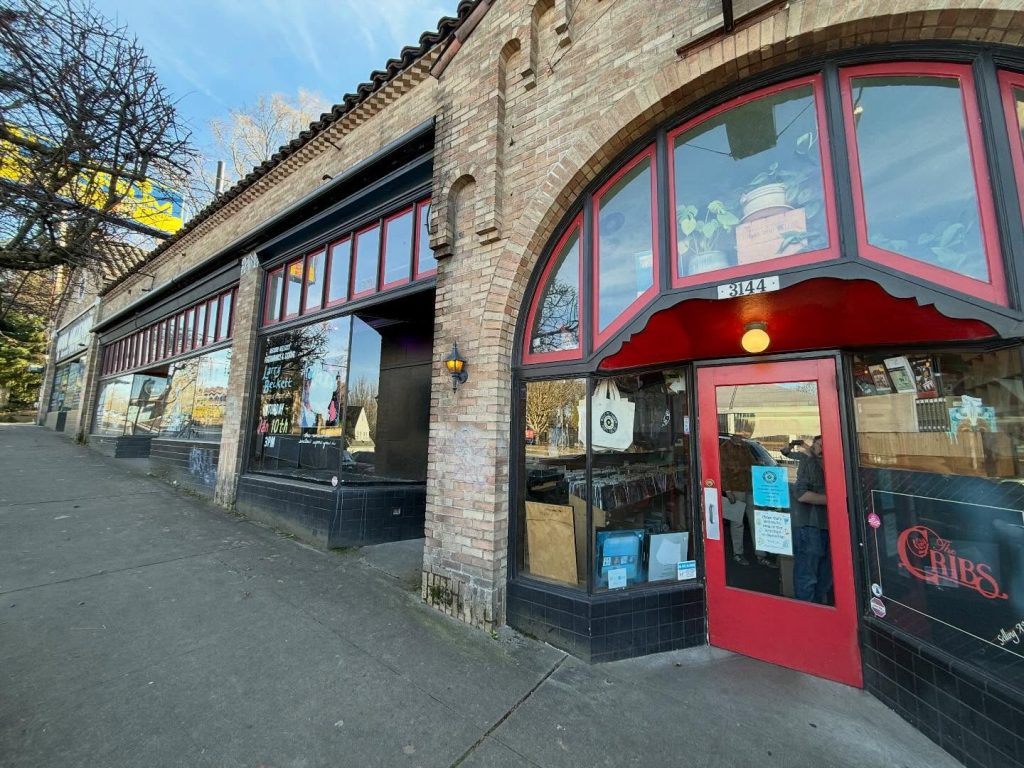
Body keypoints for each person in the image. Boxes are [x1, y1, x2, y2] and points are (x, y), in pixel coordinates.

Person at [719, 430, 774, 567]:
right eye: (739, 435)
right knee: (737, 522)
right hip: (736, 487)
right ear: (733, 435)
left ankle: (761, 554)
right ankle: (738, 553)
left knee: (756, 521)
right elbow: (722, 470)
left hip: (750, 487)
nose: (741, 437)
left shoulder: (745, 447)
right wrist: (728, 490)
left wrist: (758, 464)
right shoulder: (724, 448)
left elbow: (752, 464)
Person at [793, 435, 833, 603]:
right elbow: (801, 495)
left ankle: (819, 611)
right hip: (812, 526)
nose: (823, 449)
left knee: (826, 576)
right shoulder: (809, 462)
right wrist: (834, 501)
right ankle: (805, 614)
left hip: (832, 525)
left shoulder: (835, 464)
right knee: (807, 576)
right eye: (820, 444)